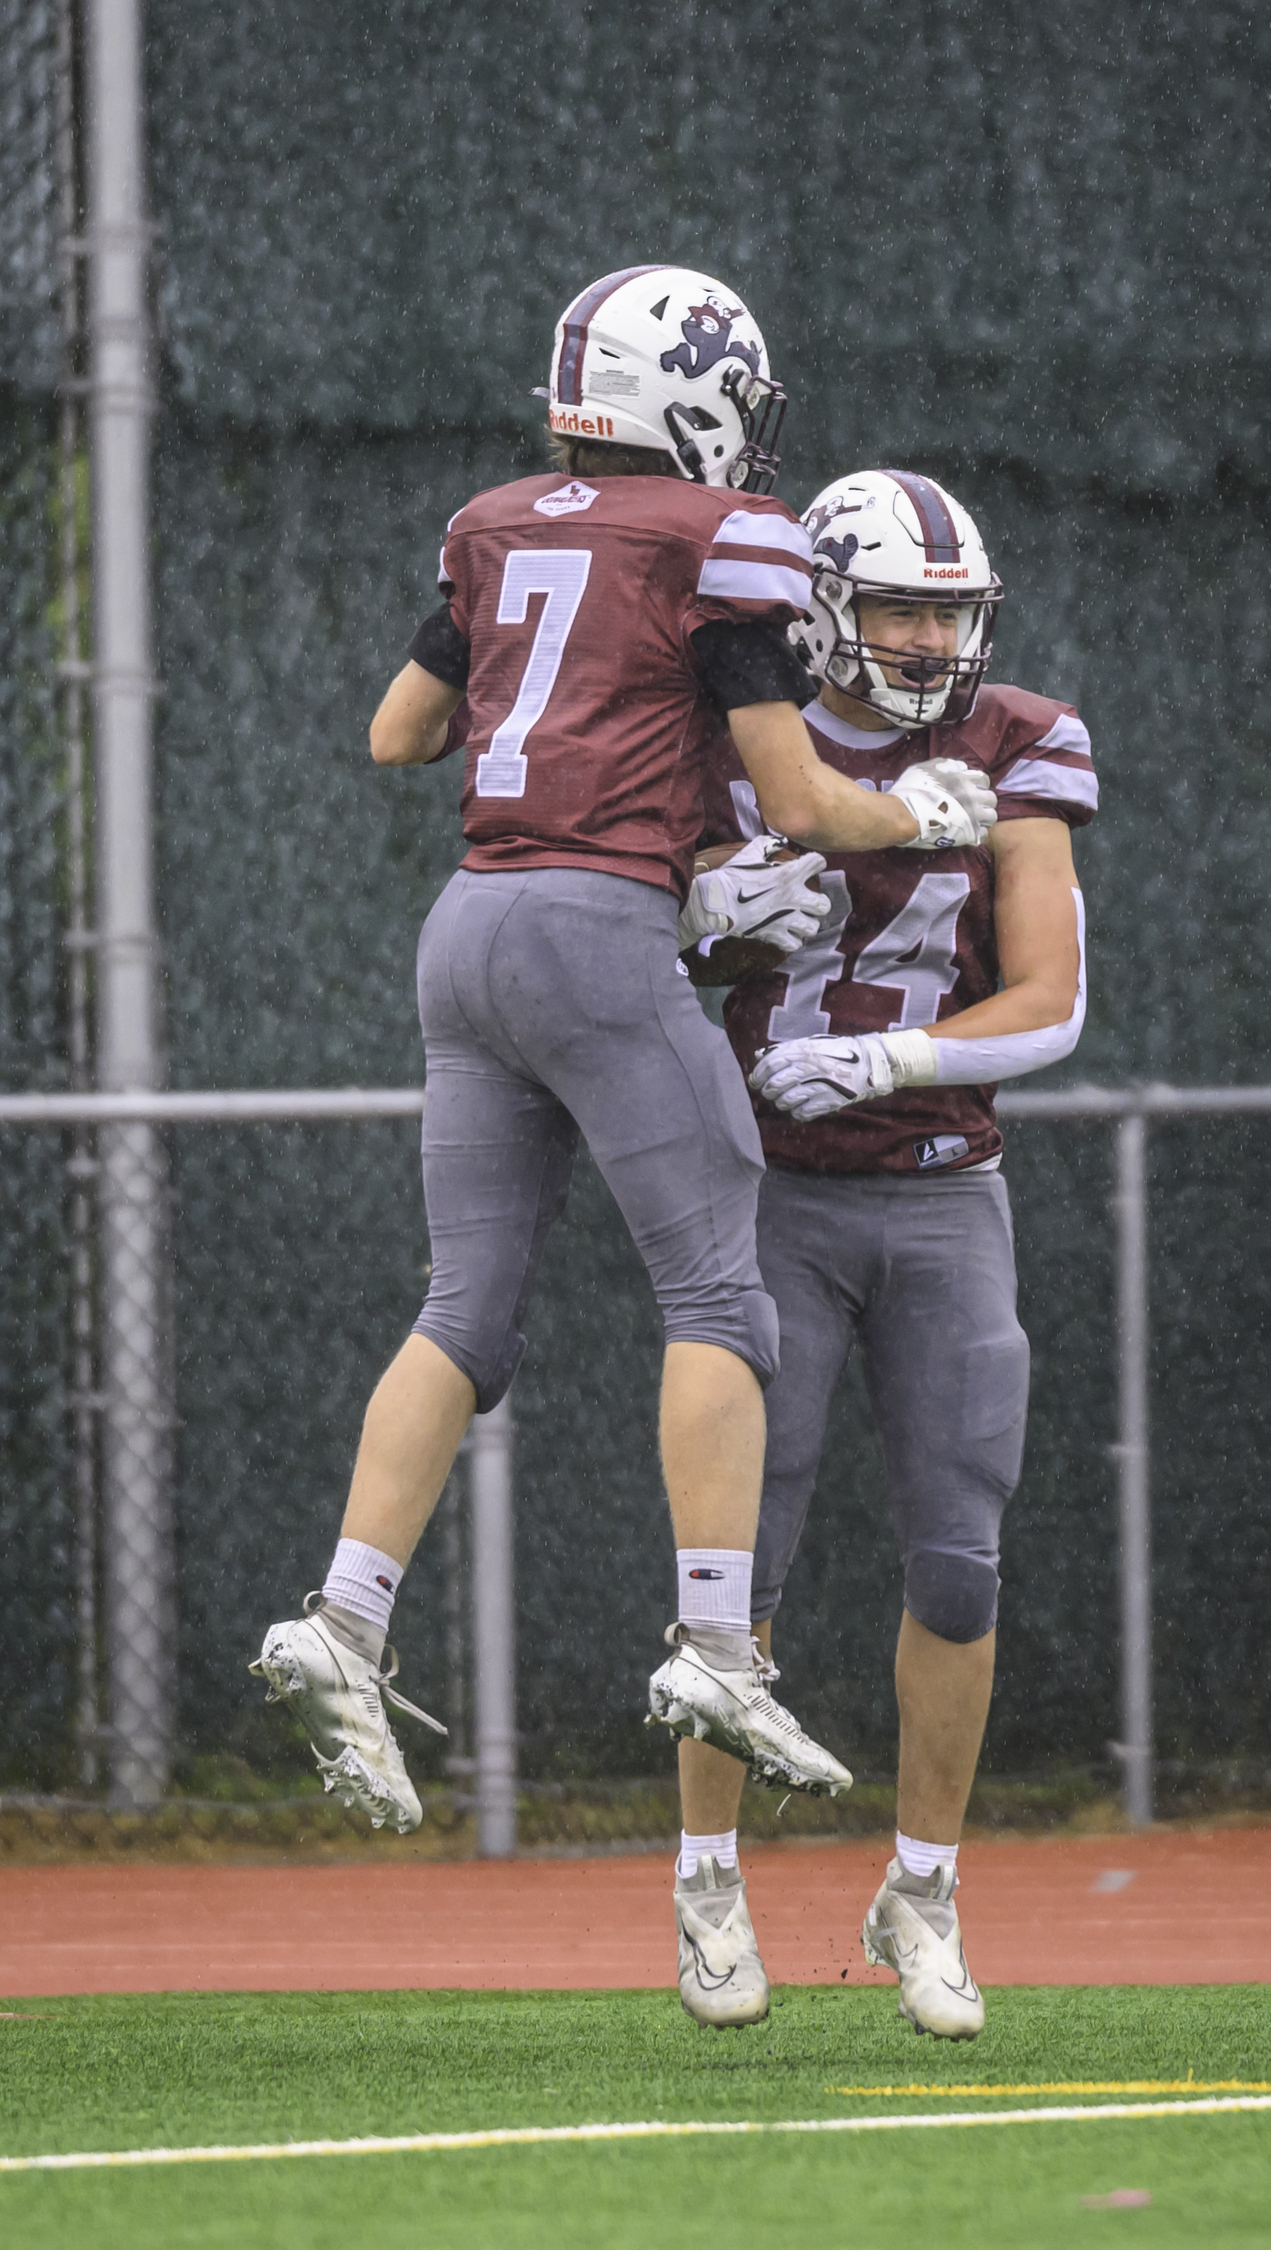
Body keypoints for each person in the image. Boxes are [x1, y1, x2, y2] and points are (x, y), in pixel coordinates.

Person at [248, 274, 1001, 1836]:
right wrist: (911, 810)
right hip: (597, 931)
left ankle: (343, 1613)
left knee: (463, 1309)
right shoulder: (725, 538)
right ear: (704, 395)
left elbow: (399, 733)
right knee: (720, 1286)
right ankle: (721, 1642)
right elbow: (799, 798)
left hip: (469, 927)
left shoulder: (493, 517)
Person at [671, 469, 1096, 2037]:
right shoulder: (736, 737)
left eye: (948, 611)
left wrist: (900, 1061)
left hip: (937, 1184)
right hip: (763, 1193)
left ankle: (923, 1883)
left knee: (960, 1557)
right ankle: (708, 1875)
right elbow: (626, 937)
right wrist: (702, 920)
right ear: (825, 611)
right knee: (739, 1570)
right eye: (900, 606)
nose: (927, 639)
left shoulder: (1020, 736)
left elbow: (1049, 997)